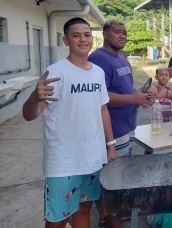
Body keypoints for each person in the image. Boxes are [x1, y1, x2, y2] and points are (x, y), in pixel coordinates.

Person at [22, 17, 117, 228]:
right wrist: (34, 97)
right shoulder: (56, 72)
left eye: (87, 35)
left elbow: (102, 109)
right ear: (66, 40)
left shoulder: (98, 73)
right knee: (57, 217)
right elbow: (30, 115)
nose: (83, 40)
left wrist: (110, 146)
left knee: (84, 208)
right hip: (63, 161)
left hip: (92, 156)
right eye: (76, 35)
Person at [88, 18, 153, 228]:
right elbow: (99, 96)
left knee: (118, 176)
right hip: (112, 132)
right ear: (105, 34)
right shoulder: (99, 58)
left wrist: (140, 97)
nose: (122, 36)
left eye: (124, 33)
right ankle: (110, 217)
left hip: (127, 127)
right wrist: (132, 99)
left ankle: (109, 214)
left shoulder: (122, 60)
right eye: (117, 32)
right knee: (111, 179)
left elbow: (126, 91)